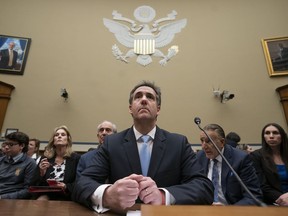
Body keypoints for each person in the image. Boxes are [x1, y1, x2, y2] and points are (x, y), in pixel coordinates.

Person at [72, 81, 214, 214]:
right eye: (138, 97)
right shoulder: (111, 143)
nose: (144, 100)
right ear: (130, 109)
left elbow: (203, 187)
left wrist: (163, 196)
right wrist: (108, 195)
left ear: (158, 109)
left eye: (150, 97)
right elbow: (82, 183)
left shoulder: (178, 143)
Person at [196, 123, 263, 205]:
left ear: (222, 142)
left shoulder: (240, 159)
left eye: (209, 141)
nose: (203, 146)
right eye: (202, 141)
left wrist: (229, 211)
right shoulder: (200, 157)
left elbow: (253, 196)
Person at [31, 125, 80, 200]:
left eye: (63, 135)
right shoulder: (46, 158)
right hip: (48, 194)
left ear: (68, 140)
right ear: (53, 140)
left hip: (67, 195)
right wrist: (41, 172)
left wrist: (66, 186)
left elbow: (80, 181)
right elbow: (34, 183)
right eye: (56, 135)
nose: (59, 136)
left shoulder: (76, 158)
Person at [250, 123, 288, 206]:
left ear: (282, 136)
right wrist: (282, 198)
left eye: (275, 133)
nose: (271, 136)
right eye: (267, 133)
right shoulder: (256, 156)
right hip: (272, 202)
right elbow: (262, 186)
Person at [0, 131, 37, 199]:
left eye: (11, 144)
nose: (6, 147)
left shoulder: (30, 163)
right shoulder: (1, 160)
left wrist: (2, 197)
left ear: (22, 146)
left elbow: (28, 190)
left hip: (10, 200)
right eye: (5, 144)